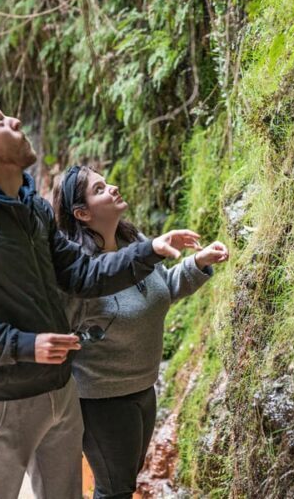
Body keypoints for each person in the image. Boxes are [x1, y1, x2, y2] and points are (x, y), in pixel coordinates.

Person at [0, 97, 202, 499]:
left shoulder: (33, 210)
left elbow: (83, 274)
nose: (15, 119)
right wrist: (26, 345)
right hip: (1, 401)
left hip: (61, 390)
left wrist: (149, 249)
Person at [52, 165, 229, 499]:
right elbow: (60, 327)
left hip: (143, 388)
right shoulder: (77, 271)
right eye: (101, 188)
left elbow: (163, 291)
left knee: (124, 482)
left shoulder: (134, 242)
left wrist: (199, 263)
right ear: (82, 213)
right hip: (102, 399)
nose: (114, 187)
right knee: (115, 489)